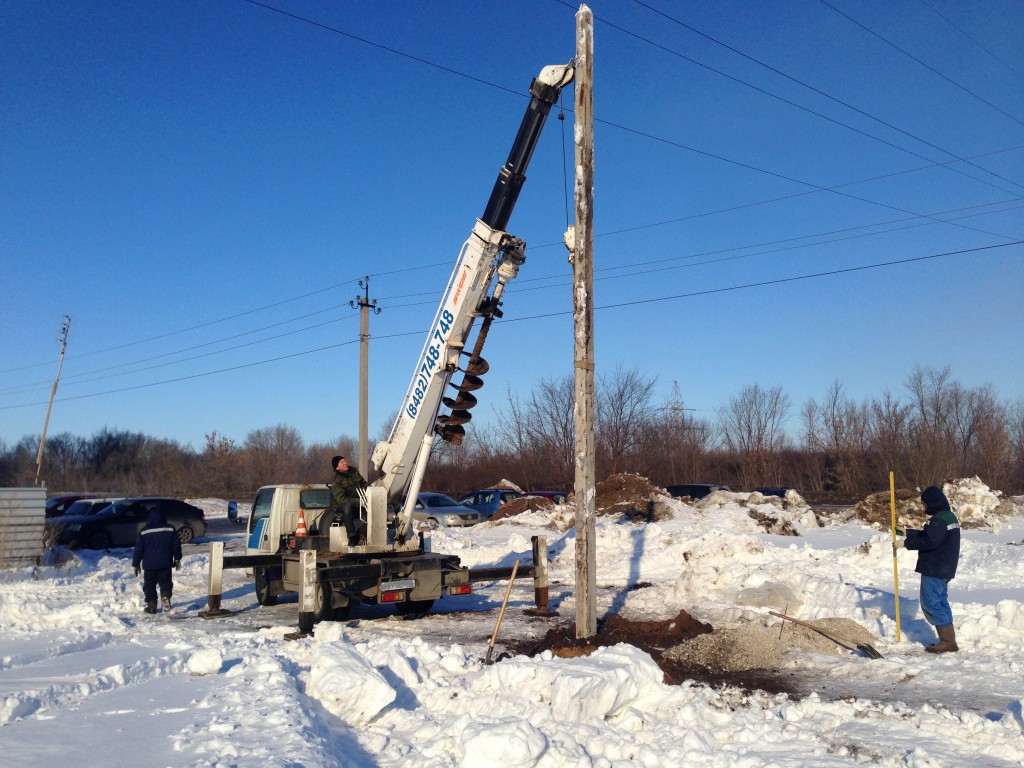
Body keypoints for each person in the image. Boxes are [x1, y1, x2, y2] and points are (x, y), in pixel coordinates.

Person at [894, 486, 961, 653]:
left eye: (925, 504)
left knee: (931, 602)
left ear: (933, 502)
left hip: (935, 568)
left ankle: (947, 641)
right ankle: (948, 639)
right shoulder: (947, 517)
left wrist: (905, 544)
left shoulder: (938, 520)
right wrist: (908, 533)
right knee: (940, 601)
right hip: (944, 567)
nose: (924, 508)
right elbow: (931, 535)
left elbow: (930, 541)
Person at [132, 508, 183, 614]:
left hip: (149, 565)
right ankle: (165, 596)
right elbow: (176, 546)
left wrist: (136, 563)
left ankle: (151, 604)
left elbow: (138, 549)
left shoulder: (144, 531)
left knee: (149, 585)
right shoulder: (170, 529)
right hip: (165, 563)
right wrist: (177, 559)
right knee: (165, 583)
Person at [328, 454, 367, 546]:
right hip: (341, 505)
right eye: (342, 462)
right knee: (347, 507)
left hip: (359, 502)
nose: (345, 463)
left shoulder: (354, 472)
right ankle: (352, 536)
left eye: (345, 460)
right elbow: (342, 499)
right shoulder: (336, 481)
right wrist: (359, 501)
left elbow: (364, 484)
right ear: (337, 467)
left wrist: (366, 493)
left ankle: (364, 534)